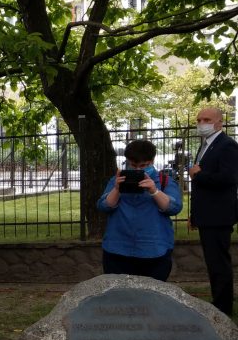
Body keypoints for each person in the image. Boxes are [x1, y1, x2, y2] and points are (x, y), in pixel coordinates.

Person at [97, 139, 182, 281]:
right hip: (118, 249)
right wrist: (117, 189)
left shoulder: (164, 181)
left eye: (144, 166)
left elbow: (174, 208)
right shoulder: (116, 180)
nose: (138, 170)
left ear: (152, 161)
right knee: (119, 297)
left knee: (152, 297)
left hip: (154, 251)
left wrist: (154, 191)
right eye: (133, 165)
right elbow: (103, 206)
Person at [189, 107, 238, 315]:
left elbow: (229, 178)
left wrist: (198, 175)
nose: (202, 123)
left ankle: (223, 307)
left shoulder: (227, 146)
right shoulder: (206, 145)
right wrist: (195, 213)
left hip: (219, 215)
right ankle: (218, 301)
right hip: (207, 214)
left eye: (207, 119)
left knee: (219, 264)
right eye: (199, 119)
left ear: (220, 122)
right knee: (213, 262)